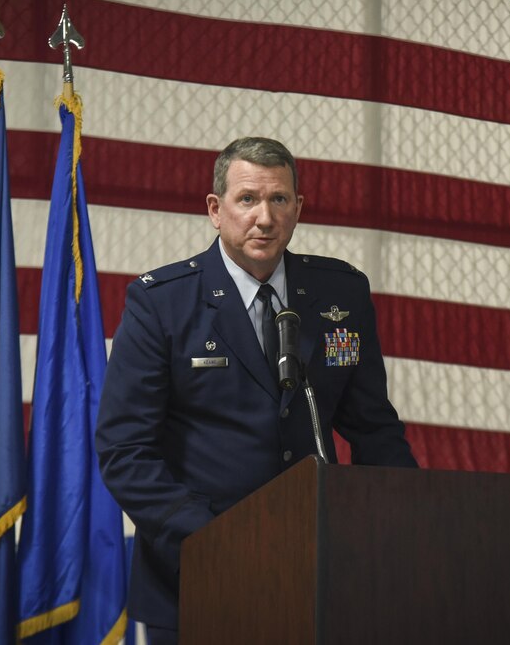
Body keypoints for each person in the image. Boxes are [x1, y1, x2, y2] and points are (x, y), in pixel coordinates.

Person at [96, 137, 417, 645]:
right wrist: (211, 540)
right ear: (215, 209)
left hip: (316, 569)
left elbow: (372, 426)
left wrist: (412, 519)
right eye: (247, 199)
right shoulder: (162, 303)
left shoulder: (341, 293)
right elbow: (124, 450)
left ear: (298, 208)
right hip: (199, 571)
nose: (264, 217)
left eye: (279, 200)